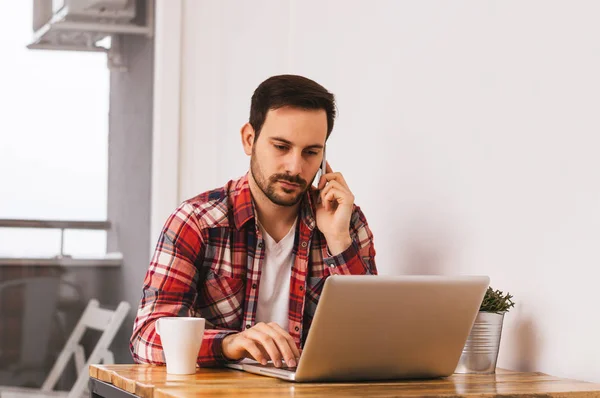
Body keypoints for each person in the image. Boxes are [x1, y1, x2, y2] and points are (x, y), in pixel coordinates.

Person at [130, 74, 377, 369]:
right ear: (250, 139)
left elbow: (371, 340)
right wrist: (228, 343)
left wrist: (338, 240)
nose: (295, 167)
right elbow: (146, 336)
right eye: (281, 147)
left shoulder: (345, 222)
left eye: (311, 152)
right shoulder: (197, 222)